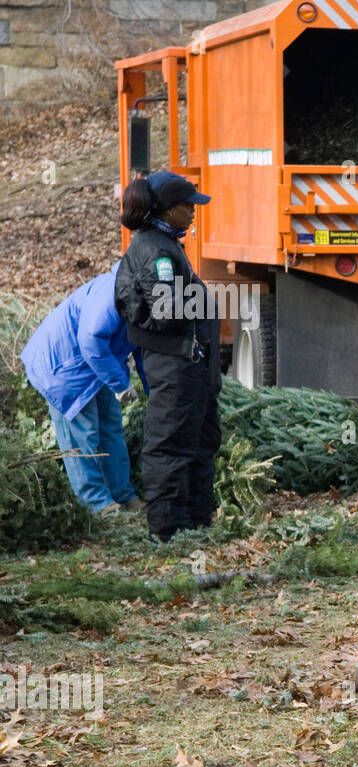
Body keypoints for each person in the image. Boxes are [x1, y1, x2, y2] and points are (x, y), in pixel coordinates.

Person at [114, 171, 221, 541]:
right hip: (174, 368)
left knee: (201, 443)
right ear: (167, 209)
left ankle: (197, 525)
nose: (193, 211)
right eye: (187, 206)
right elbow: (166, 311)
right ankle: (168, 532)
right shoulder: (155, 251)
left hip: (192, 368)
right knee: (169, 447)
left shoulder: (167, 244)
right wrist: (203, 301)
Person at [20, 263, 148, 514]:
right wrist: (120, 385)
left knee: (111, 428)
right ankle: (98, 504)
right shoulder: (110, 295)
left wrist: (157, 394)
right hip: (63, 367)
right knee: (83, 434)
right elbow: (90, 340)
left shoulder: (146, 297)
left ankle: (123, 496)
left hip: (97, 365)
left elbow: (145, 350)